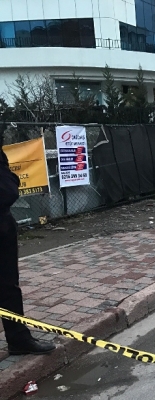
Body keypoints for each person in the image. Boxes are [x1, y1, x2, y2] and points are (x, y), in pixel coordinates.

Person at [0, 140, 56, 355]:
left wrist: (9, 183)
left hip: (3, 223)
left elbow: (6, 178)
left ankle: (18, 339)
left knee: (8, 286)